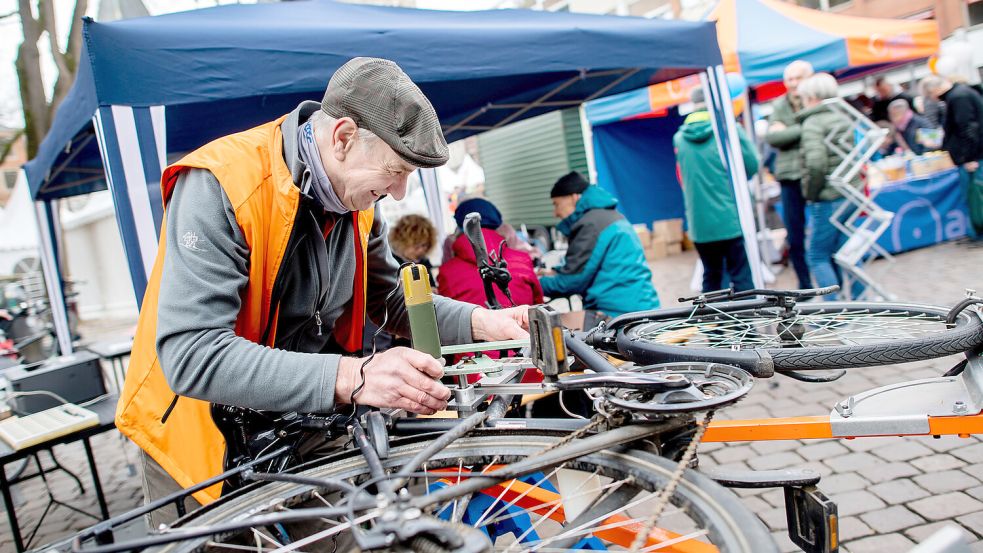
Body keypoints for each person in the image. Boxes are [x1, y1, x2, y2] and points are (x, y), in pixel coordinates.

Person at [117, 57, 530, 524]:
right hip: (198, 434)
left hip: (297, 416)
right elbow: (192, 354)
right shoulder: (220, 184)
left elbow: (391, 300)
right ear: (342, 138)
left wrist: (481, 322)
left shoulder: (356, 200)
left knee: (350, 533)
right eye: (395, 171)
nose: (398, 192)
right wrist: (356, 377)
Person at [539, 172, 659, 318]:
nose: (555, 213)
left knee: (554, 330)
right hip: (641, 306)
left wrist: (534, 284)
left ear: (574, 197)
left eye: (556, 204)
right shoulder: (606, 216)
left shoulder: (591, 224)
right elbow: (582, 268)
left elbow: (570, 282)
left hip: (620, 315)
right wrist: (556, 273)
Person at [674, 88, 759, 293]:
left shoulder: (679, 138)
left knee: (712, 276)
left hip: (700, 222)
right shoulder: (729, 129)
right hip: (731, 217)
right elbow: (752, 165)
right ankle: (746, 323)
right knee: (741, 276)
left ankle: (716, 324)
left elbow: (682, 177)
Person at [797, 73, 863, 299]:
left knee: (817, 255)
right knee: (849, 252)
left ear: (812, 97)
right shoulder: (843, 117)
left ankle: (832, 311)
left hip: (828, 197)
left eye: (804, 97)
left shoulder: (813, 123)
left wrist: (811, 193)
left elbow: (815, 164)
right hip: (850, 192)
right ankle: (861, 303)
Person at [438, 198, 543, 311]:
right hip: (523, 327)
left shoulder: (447, 272)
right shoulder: (522, 260)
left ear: (460, 226)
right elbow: (539, 305)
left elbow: (445, 317)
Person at [765, 60, 814, 290]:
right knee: (795, 235)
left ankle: (830, 281)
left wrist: (788, 130)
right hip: (789, 176)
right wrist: (806, 128)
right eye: (789, 79)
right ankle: (805, 284)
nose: (793, 83)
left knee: (823, 231)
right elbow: (774, 138)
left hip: (815, 171)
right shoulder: (780, 105)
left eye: (798, 78)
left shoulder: (815, 100)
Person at [921, 74, 983, 241]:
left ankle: (978, 233)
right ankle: (976, 232)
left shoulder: (958, 97)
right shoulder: (959, 95)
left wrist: (969, 158)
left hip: (972, 158)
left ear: (934, 90)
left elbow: (968, 128)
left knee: (976, 197)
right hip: (972, 156)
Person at [388, 213, 437, 287]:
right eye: (416, 246)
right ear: (402, 242)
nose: (421, 250)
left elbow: (431, 286)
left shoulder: (423, 261)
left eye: (424, 245)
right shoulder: (390, 263)